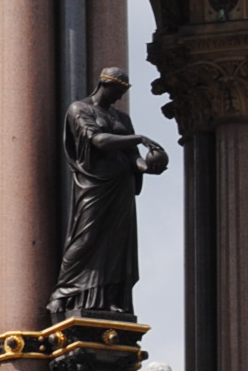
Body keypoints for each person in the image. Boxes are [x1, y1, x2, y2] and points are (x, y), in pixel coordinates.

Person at [51, 69, 167, 323]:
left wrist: (148, 167)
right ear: (105, 84)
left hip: (121, 187)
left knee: (118, 242)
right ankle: (63, 292)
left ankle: (111, 299)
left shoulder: (122, 118)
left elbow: (133, 157)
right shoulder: (79, 109)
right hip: (94, 185)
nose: (119, 98)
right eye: (118, 91)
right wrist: (138, 137)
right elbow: (98, 141)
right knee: (86, 236)